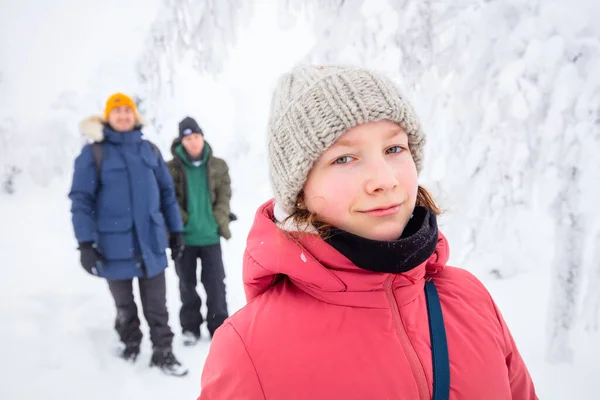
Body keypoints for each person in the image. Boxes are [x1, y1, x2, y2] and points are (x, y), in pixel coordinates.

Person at [199, 66, 538, 399]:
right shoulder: (249, 350)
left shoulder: (471, 298)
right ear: (299, 190)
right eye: (345, 158)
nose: (384, 180)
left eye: (394, 149)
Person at [69, 93, 188, 377]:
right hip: (113, 245)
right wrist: (85, 243)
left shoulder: (150, 150)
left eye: (127, 110)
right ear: (107, 116)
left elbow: (166, 195)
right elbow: (81, 200)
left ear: (135, 116)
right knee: (124, 304)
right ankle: (130, 343)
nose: (123, 115)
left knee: (157, 305)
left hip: (151, 242)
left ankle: (163, 352)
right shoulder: (94, 153)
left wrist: (176, 231)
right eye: (117, 110)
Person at [167, 116, 232, 344]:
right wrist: (184, 221)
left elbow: (224, 196)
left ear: (202, 137)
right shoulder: (171, 168)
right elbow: (169, 200)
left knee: (216, 284)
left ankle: (219, 326)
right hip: (184, 238)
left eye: (196, 137)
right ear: (181, 141)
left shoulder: (218, 165)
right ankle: (190, 328)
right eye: (188, 138)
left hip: (211, 236)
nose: (193, 142)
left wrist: (217, 218)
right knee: (187, 285)